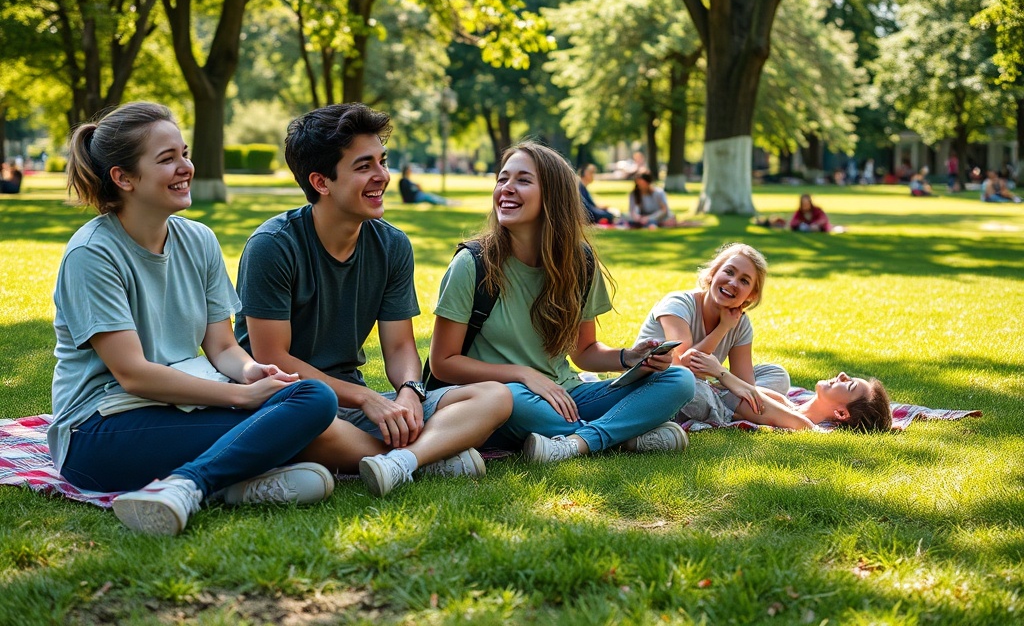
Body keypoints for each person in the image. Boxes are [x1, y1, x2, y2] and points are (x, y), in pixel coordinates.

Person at [51, 102, 356, 536]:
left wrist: (254, 373)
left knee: (312, 398)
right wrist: (244, 399)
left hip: (180, 406)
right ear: (124, 178)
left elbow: (223, 347)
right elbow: (134, 375)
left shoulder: (199, 240)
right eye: (167, 159)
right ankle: (190, 486)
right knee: (289, 423)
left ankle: (219, 487)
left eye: (185, 153)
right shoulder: (92, 254)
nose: (186, 167)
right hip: (98, 433)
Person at [234, 103, 513, 498]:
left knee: (494, 396)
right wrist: (367, 398)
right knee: (302, 424)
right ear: (321, 182)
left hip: (355, 402)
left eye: (381, 161)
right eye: (364, 166)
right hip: (291, 401)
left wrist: (409, 392)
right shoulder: (273, 247)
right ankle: (431, 453)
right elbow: (273, 359)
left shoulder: (391, 244)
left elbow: (400, 345)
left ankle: (402, 460)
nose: (382, 176)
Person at [428, 141, 695, 465]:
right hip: (499, 399)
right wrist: (523, 375)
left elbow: (584, 352)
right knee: (513, 398)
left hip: (565, 396)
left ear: (553, 197)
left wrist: (630, 357)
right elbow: (443, 362)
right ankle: (620, 437)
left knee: (679, 380)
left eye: (523, 180)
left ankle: (580, 441)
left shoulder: (579, 263)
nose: (506, 189)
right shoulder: (474, 263)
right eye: (502, 179)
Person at [633, 243, 789, 419]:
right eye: (729, 272)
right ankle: (731, 409)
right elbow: (683, 365)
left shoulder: (741, 323)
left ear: (751, 295)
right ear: (713, 273)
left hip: (703, 384)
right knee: (694, 389)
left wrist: (724, 377)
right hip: (659, 387)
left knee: (777, 375)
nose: (732, 282)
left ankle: (724, 405)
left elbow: (745, 384)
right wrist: (723, 328)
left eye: (744, 281)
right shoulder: (677, 304)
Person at [682, 357, 892, 432]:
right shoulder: (790, 405)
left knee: (686, 382)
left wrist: (721, 372)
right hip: (722, 391)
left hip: (711, 403)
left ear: (841, 413)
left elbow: (742, 396)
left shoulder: (800, 423)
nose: (843, 375)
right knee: (778, 375)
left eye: (849, 385)